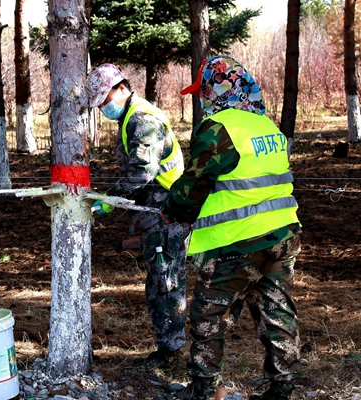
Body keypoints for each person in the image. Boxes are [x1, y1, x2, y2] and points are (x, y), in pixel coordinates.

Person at [155, 56, 302, 400]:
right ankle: (283, 387)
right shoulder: (267, 126)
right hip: (283, 235)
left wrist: (172, 210)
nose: (202, 99)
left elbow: (195, 184)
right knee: (276, 311)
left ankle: (204, 391)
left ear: (219, 89)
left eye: (204, 91)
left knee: (209, 316)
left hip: (237, 242)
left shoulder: (218, 128)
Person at [86, 63, 191, 369]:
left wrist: (109, 200)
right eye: (99, 105)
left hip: (166, 212)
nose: (104, 108)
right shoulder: (132, 117)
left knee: (166, 283)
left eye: (105, 101)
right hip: (158, 212)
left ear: (122, 88)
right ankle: (169, 346)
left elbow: (142, 172)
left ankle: (172, 352)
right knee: (160, 280)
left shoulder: (142, 119)